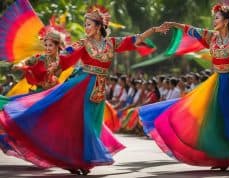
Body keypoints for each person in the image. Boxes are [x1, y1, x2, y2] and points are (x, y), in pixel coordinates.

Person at [0, 5, 165, 175]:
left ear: (99, 26)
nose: (86, 28)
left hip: (99, 89)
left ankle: (80, 161)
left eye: (88, 24)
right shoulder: (83, 43)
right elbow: (65, 56)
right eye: (85, 25)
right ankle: (72, 159)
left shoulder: (111, 43)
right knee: (81, 124)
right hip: (81, 86)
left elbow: (133, 40)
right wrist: (50, 58)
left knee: (92, 125)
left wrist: (153, 30)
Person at [138, 1, 229, 170]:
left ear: (226, 21)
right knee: (214, 120)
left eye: (217, 18)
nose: (214, 21)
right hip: (217, 82)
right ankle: (221, 159)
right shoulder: (211, 37)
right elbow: (191, 30)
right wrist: (174, 24)